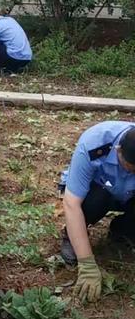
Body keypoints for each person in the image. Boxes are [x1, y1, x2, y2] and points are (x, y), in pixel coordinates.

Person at [59, 121, 135, 302]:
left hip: (129, 194)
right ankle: (72, 236)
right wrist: (87, 264)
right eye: (128, 167)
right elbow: (71, 204)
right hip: (98, 190)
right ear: (118, 150)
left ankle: (123, 232)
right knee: (95, 199)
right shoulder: (94, 143)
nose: (132, 172)